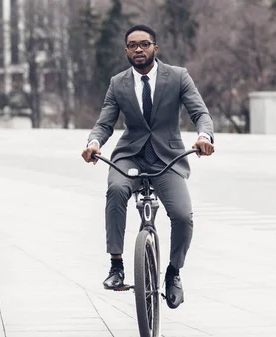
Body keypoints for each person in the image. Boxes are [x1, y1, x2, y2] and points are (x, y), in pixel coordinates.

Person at [81, 24, 215, 309]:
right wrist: (94, 143)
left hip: (168, 158)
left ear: (156, 47)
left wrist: (204, 136)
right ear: (126, 51)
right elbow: (105, 122)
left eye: (144, 44)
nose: (138, 49)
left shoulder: (178, 77)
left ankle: (173, 273)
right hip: (130, 155)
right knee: (116, 191)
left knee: (182, 216)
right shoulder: (118, 83)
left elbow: (199, 112)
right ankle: (116, 266)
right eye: (132, 45)